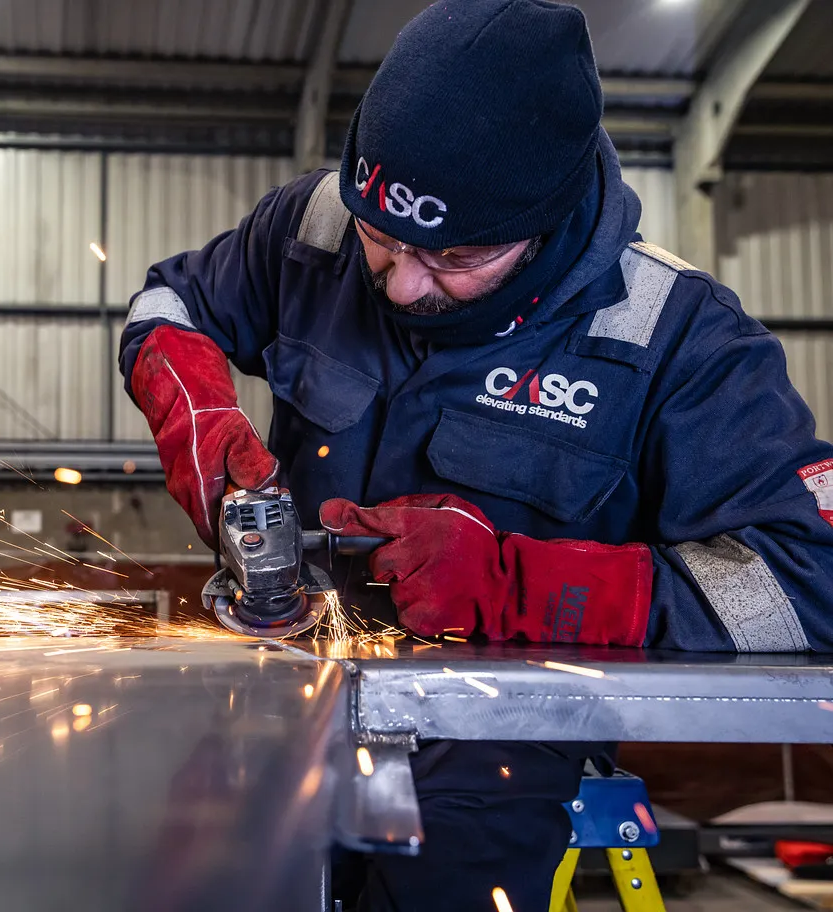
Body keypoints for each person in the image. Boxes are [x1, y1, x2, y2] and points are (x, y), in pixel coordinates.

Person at [118, 0, 833, 908]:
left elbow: (808, 585)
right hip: (283, 711)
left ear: (548, 219)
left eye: (456, 256)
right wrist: (200, 422)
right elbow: (170, 306)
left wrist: (516, 583)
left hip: (498, 759)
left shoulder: (679, 340)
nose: (403, 283)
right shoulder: (321, 224)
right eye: (385, 239)